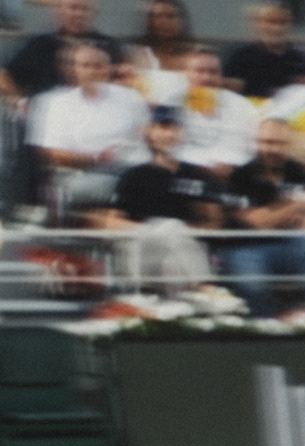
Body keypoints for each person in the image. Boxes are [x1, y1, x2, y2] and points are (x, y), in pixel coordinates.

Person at [221, 118, 305, 317]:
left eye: (277, 143)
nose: (269, 149)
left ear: (289, 144)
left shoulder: (302, 171)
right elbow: (261, 223)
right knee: (251, 283)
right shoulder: (241, 176)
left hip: (293, 245)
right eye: (264, 142)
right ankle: (264, 324)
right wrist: (301, 203)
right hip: (248, 247)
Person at [100, 105, 221, 293]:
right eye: (162, 128)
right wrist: (157, 230)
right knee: (169, 228)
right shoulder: (133, 176)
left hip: (183, 252)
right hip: (141, 250)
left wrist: (180, 232)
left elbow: (214, 224)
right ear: (149, 132)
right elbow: (111, 223)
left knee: (174, 243)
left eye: (174, 128)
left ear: (182, 134)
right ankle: (206, 290)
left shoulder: (197, 174)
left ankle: (189, 300)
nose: (169, 134)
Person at [32, 44, 152, 216]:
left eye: (98, 65)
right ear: (74, 70)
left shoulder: (130, 97)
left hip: (133, 168)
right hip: (84, 174)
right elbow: (53, 154)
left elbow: (148, 135)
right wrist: (96, 158)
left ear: (109, 68)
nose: (92, 71)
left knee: (153, 181)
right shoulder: (58, 104)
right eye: (85, 66)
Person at [0, 0, 124, 100]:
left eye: (84, 9)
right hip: (50, 114)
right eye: (73, 8)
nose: (79, 14)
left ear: (95, 13)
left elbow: (126, 80)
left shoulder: (108, 45)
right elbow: (4, 78)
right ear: (57, 12)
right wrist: (20, 102)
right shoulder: (40, 45)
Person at [174, 47, 262, 181]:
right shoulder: (173, 103)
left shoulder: (242, 105)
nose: (206, 77)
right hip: (186, 173)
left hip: (235, 174)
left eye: (213, 72)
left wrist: (230, 165)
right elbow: (167, 147)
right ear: (186, 73)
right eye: (199, 71)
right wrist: (202, 167)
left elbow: (253, 147)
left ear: (221, 75)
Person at [223, 2, 305, 102]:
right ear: (257, 23)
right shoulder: (240, 57)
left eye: (283, 22)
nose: (277, 28)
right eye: (271, 22)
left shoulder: (298, 58)